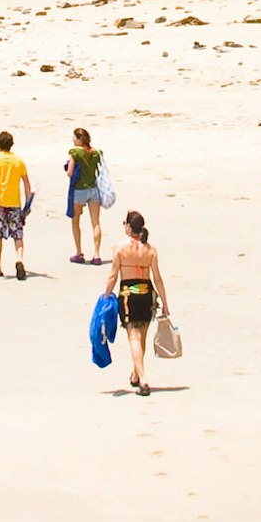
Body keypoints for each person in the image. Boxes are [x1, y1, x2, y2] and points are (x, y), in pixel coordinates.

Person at [103, 211, 170, 393]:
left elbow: (113, 276)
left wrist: (105, 296)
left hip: (128, 295)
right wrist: (165, 302)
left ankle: (143, 379)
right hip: (147, 294)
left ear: (129, 227)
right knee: (142, 338)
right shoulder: (150, 250)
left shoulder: (119, 248)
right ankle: (135, 374)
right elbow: (157, 279)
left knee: (134, 337)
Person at [0, 131, 35, 279]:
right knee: (18, 235)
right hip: (15, 203)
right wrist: (27, 204)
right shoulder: (19, 161)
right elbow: (27, 185)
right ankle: (19, 259)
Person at [63, 127, 109, 263]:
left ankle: (79, 252)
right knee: (95, 222)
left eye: (74, 137)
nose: (72, 140)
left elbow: (69, 172)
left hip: (79, 190)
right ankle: (96, 254)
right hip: (94, 189)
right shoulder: (96, 152)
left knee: (75, 221)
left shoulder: (75, 152)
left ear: (79, 139)